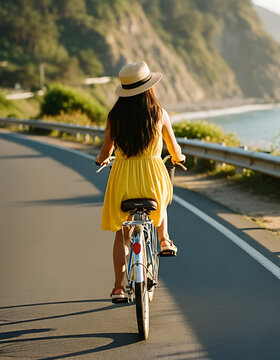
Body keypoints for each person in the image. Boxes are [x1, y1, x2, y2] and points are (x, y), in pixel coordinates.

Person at [95, 61, 186, 302]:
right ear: (149, 87)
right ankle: (164, 239)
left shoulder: (114, 116)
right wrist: (179, 157)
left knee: (121, 233)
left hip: (123, 179)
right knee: (162, 196)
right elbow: (174, 149)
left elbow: (106, 151)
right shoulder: (159, 113)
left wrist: (100, 159)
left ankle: (117, 287)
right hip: (152, 175)